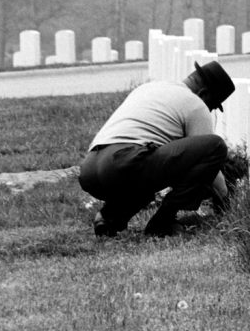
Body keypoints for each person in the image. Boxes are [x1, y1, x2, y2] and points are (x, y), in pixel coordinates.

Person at [78, 60, 236, 237]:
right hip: (125, 164)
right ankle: (163, 222)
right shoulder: (196, 104)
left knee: (146, 175)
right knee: (215, 146)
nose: (210, 110)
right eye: (213, 106)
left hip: (90, 169)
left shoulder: (149, 88)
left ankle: (108, 217)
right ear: (204, 93)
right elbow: (211, 166)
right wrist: (227, 203)